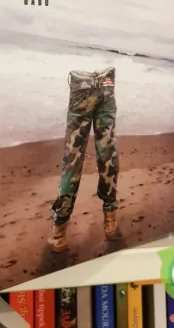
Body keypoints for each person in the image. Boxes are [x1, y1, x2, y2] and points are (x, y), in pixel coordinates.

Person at [48, 66, 120, 251]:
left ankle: (59, 232)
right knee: (108, 154)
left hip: (82, 86)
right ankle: (110, 219)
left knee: (72, 160)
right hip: (106, 84)